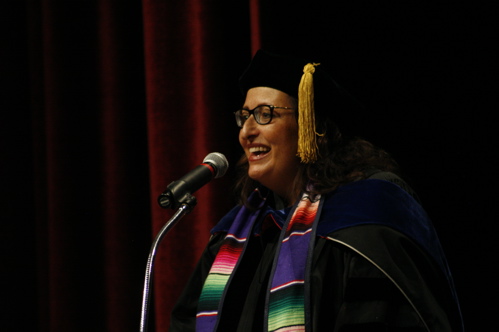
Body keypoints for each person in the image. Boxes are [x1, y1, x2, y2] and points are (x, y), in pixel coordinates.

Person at [169, 50, 464, 331]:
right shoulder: (236, 234)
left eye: (265, 114)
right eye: (244, 116)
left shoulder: (367, 214)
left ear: (312, 128)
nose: (247, 131)